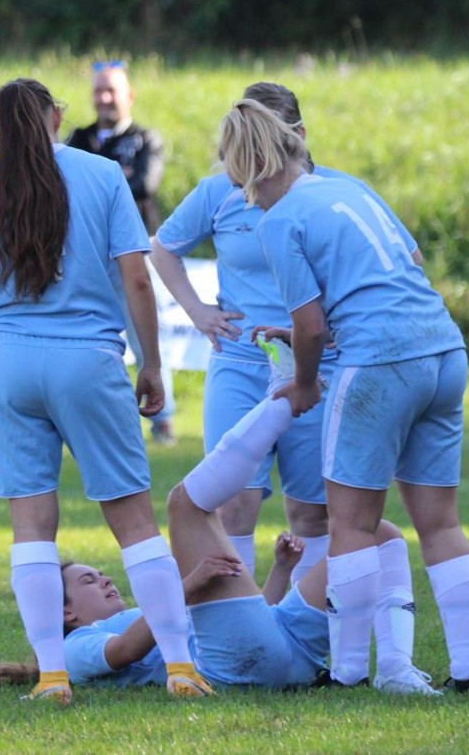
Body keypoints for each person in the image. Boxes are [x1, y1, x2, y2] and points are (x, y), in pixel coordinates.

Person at [0, 78, 210, 704]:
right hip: (88, 359)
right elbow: (136, 280)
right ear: (57, 117)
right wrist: (151, 363)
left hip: (9, 363)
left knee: (32, 528)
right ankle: (179, 666)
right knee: (134, 521)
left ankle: (53, 676)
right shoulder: (103, 174)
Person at [216, 98, 469, 693]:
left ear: (250, 165)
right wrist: (315, 334)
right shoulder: (351, 189)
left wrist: (303, 381)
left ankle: (347, 673)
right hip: (442, 349)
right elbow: (406, 267)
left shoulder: (279, 220)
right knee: (440, 522)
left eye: (237, 180)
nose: (243, 196)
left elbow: (311, 326)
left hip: (378, 364)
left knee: (350, 524)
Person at [0, 363, 430, 694]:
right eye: (88, 581)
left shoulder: (136, 610)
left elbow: (253, 620)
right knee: (184, 504)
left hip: (284, 649)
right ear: (68, 613)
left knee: (378, 534)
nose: (105, 578)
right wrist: (186, 587)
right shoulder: (73, 649)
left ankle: (395, 669)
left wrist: (282, 571)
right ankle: (283, 400)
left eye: (97, 573)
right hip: (240, 669)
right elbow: (124, 651)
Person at [149, 82, 423, 586]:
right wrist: (198, 311)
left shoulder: (336, 191)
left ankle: (306, 624)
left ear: (297, 135)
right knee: (231, 504)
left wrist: (342, 329)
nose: (256, 159)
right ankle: (240, 623)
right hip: (241, 364)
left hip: (318, 367)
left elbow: (407, 258)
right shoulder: (218, 190)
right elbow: (162, 248)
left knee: (313, 512)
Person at [65, 60, 175, 444]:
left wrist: (101, 179)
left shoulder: (145, 139)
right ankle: (87, 417)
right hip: (87, 255)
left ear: (129, 95)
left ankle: (162, 418)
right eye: (99, 90)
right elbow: (64, 187)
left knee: (147, 335)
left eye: (111, 90)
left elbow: (144, 184)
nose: (105, 98)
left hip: (133, 253)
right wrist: (117, 175)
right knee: (86, 337)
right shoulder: (78, 138)